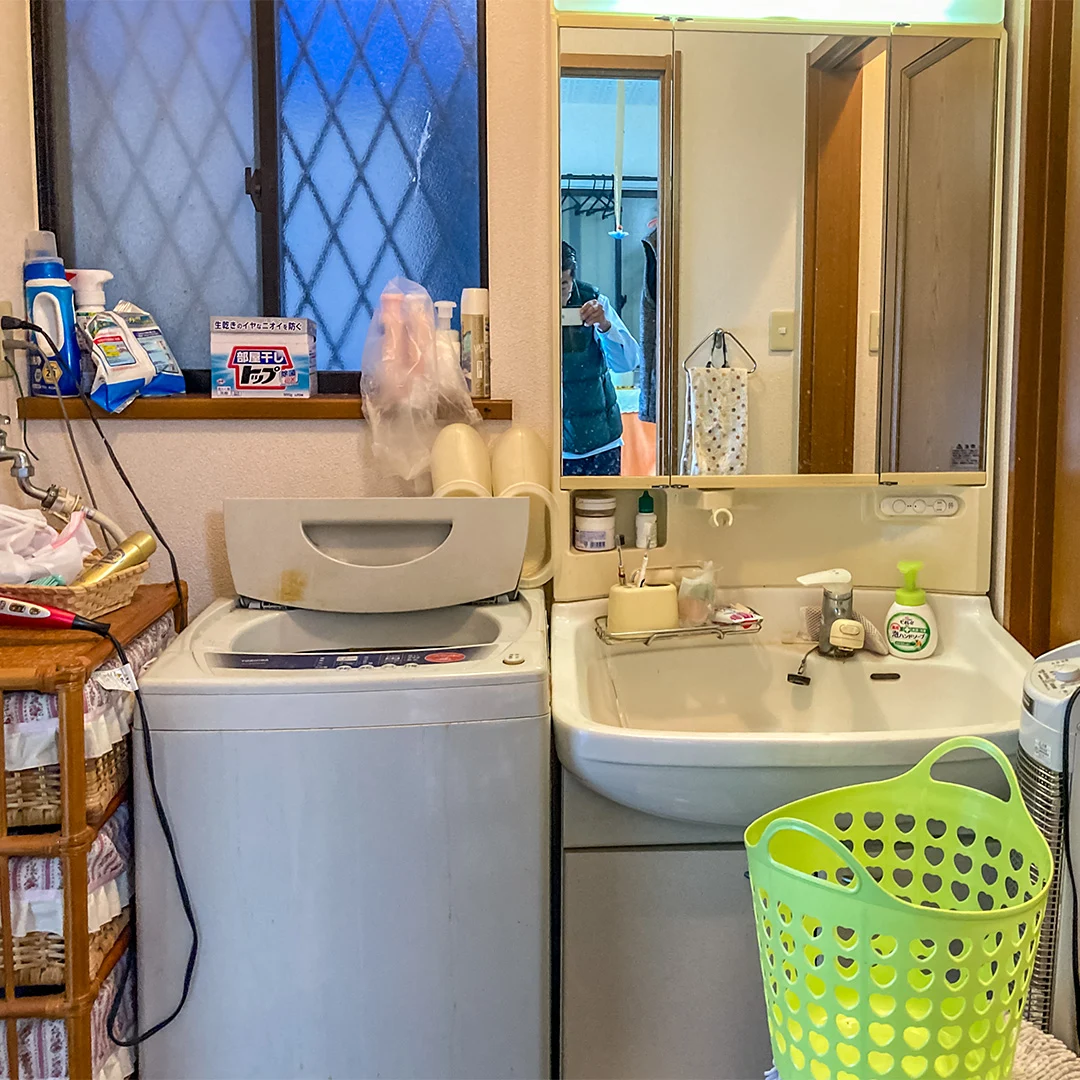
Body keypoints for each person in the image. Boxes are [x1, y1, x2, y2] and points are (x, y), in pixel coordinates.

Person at [560, 241, 642, 476]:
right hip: (553, 445)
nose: (559, 293)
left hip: (602, 442)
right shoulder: (528, 308)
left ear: (573, 279)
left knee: (606, 501)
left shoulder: (594, 303)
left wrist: (604, 325)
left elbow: (627, 363)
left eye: (564, 284)